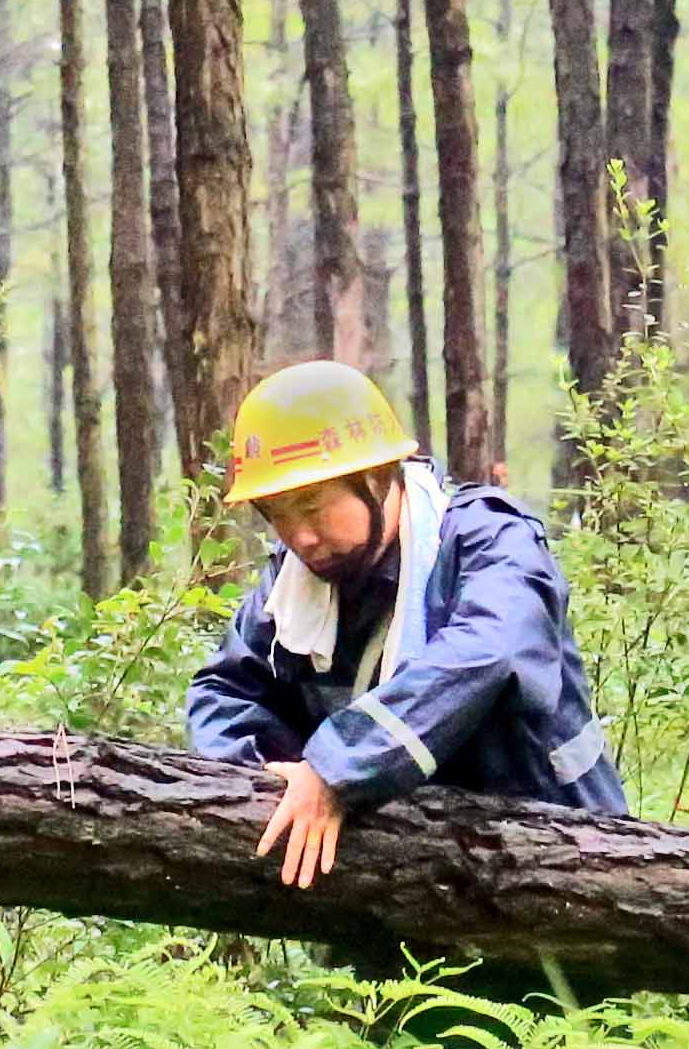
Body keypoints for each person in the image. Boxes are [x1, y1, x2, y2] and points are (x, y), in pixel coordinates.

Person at [186, 357, 627, 890]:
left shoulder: (490, 540)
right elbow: (226, 691)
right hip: (401, 895)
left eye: (310, 505)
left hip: (566, 870)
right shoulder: (295, 583)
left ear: (375, 478)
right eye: (276, 513)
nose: (298, 536)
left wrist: (335, 767)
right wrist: (268, 784)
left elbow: (490, 653)